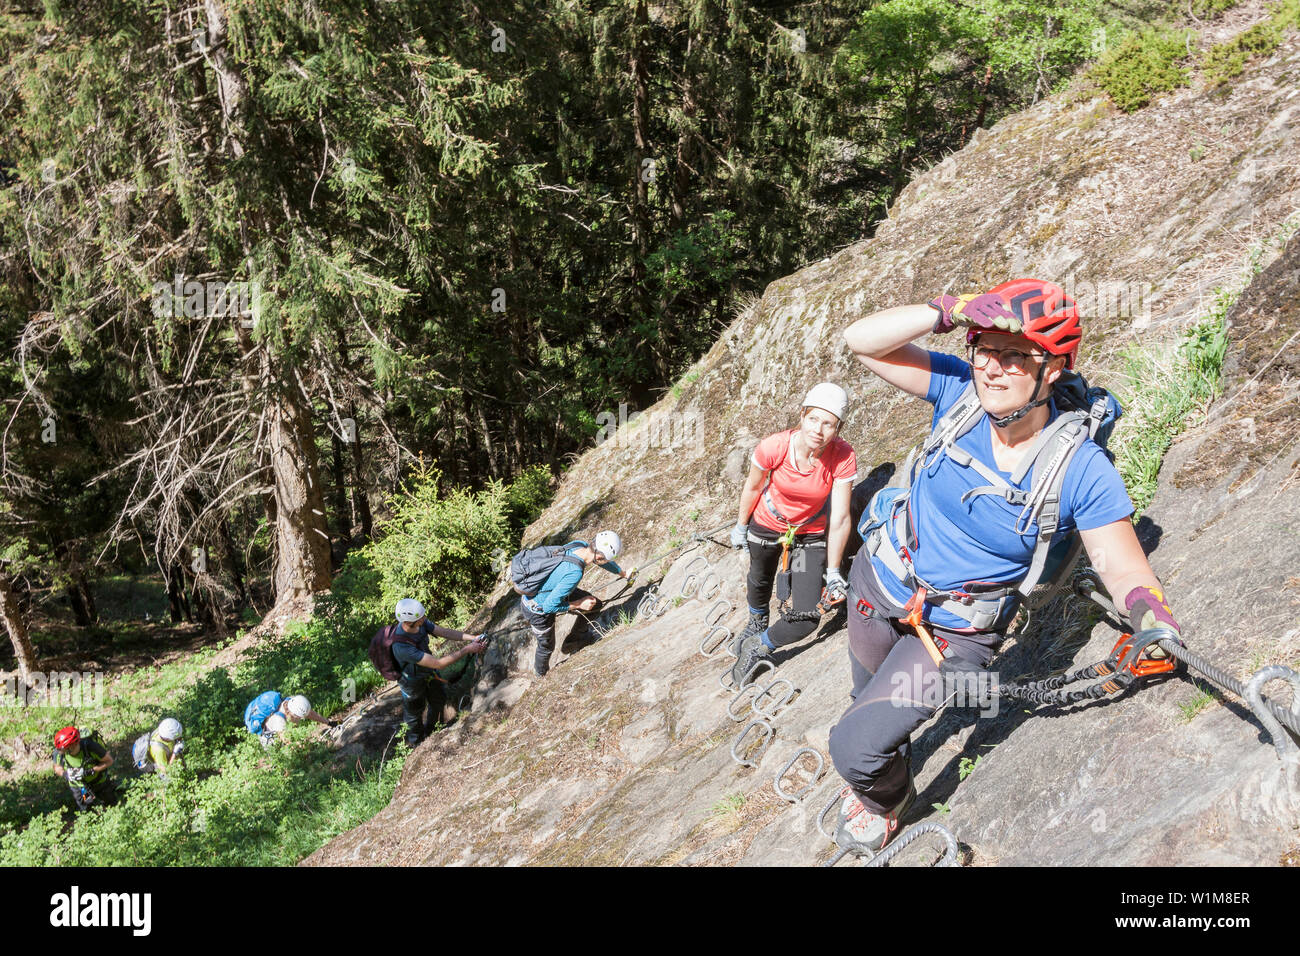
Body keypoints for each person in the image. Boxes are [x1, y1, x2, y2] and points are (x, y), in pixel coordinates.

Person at [828, 279, 1184, 854]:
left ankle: (884, 799)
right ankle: (882, 763)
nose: (992, 368)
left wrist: (1151, 618)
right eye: (985, 348)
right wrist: (950, 310)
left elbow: (1123, 568)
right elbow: (861, 341)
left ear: (1055, 370)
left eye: (1016, 355)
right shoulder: (958, 395)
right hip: (880, 579)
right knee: (865, 702)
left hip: (950, 631)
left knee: (854, 748)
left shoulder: (1079, 468)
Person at [729, 383, 858, 686]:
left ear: (837, 428)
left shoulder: (842, 456)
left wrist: (834, 570)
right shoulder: (775, 446)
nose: (819, 429)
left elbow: (839, 517)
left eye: (829, 423)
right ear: (802, 415)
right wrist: (741, 526)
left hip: (808, 537)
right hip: (766, 524)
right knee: (760, 577)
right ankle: (756, 619)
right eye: (813, 419)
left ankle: (760, 644)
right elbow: (753, 487)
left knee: (806, 616)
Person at [520, 531, 632, 677]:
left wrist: (622, 573)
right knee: (546, 646)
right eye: (604, 560)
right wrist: (579, 604)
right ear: (599, 556)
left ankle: (573, 641)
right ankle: (540, 675)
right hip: (537, 608)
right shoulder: (575, 572)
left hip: (551, 591)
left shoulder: (580, 545)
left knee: (595, 605)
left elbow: (602, 562)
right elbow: (548, 607)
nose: (603, 562)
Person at [388, 598, 488, 747]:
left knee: (438, 700)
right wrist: (467, 649)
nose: (425, 618)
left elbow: (443, 632)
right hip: (411, 682)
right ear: (409, 622)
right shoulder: (401, 646)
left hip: (428, 672)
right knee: (414, 714)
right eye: (421, 617)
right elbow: (438, 664)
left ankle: (432, 731)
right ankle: (417, 744)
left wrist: (473, 638)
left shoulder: (419, 622)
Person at [52, 726, 117, 811]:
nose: (62, 752)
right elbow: (57, 767)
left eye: (66, 750)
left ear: (73, 745)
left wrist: (92, 770)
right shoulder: (60, 750)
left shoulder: (91, 747)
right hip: (78, 786)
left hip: (98, 780)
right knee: (86, 810)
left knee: (111, 804)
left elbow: (109, 761)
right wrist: (66, 774)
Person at [244, 690, 331, 737]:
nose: (301, 719)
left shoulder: (291, 702)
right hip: (269, 734)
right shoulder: (279, 721)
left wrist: (329, 722)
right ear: (293, 714)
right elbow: (288, 742)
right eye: (300, 717)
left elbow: (310, 713)